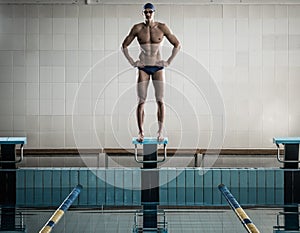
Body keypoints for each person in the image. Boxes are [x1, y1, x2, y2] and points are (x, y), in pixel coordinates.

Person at [121, 2, 181, 142]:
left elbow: (177, 44)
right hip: (143, 68)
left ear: (154, 12)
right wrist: (132, 62)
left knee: (160, 100)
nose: (148, 14)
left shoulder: (162, 27)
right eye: (145, 12)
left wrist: (169, 61)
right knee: (141, 101)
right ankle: (141, 132)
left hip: (158, 67)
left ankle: (160, 131)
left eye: (150, 12)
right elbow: (124, 45)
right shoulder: (137, 28)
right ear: (143, 13)